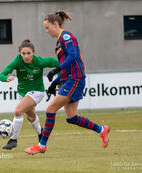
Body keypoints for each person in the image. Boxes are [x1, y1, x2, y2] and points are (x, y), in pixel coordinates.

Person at [25, 11, 110, 155]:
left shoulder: (66, 37)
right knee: (71, 118)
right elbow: (67, 65)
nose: (46, 31)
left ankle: (42, 145)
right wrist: (55, 82)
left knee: (50, 109)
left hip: (75, 79)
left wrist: (56, 69)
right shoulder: (59, 41)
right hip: (70, 79)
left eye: (47, 27)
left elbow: (73, 56)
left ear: (55, 24)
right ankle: (102, 130)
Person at [0, 39, 59, 150]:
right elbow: (1, 75)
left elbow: (58, 64)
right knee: (31, 117)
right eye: (23, 54)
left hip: (37, 92)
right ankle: (41, 132)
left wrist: (60, 78)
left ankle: (13, 139)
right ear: (20, 54)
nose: (26, 56)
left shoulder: (39, 62)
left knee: (18, 111)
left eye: (28, 53)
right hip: (22, 92)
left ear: (33, 53)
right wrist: (6, 78)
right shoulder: (17, 61)